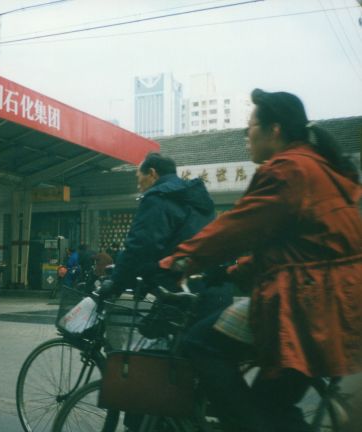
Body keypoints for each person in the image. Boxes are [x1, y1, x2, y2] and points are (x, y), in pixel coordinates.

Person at [160, 89, 362, 432]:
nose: (246, 136)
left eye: (249, 127)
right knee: (273, 403)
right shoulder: (323, 169)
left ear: (275, 130)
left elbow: (238, 227)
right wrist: (234, 271)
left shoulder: (288, 169)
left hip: (305, 305)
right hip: (335, 302)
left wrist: (178, 262)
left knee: (200, 343)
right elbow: (294, 249)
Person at [98, 152, 216, 298]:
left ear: (152, 173)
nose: (138, 184)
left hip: (172, 286)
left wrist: (116, 282)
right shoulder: (197, 198)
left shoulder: (157, 198)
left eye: (139, 177)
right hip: (206, 281)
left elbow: (141, 245)